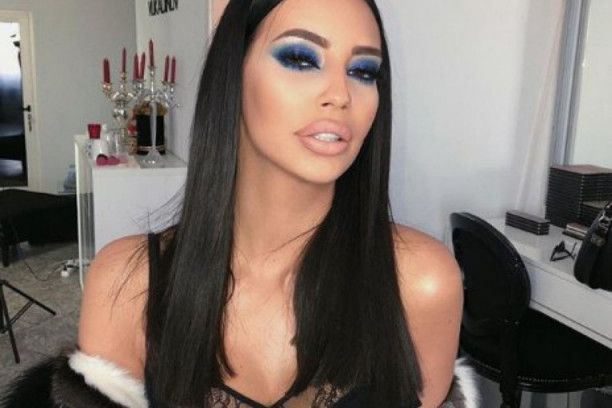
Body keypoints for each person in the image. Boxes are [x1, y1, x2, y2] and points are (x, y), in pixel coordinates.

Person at [2, 0, 475, 407]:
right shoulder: (126, 284)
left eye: (363, 71)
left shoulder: (421, 282)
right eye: (300, 58)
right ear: (234, 74)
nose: (340, 95)